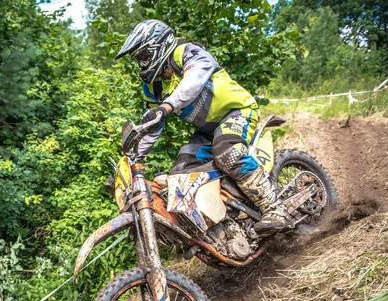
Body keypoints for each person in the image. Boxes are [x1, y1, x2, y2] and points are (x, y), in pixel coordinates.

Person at [116, 19, 292, 235]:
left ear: (159, 46)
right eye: (138, 60)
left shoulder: (186, 52)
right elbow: (151, 125)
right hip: (208, 130)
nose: (141, 64)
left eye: (143, 56)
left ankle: (275, 208)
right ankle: (224, 226)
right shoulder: (153, 86)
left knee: (228, 152)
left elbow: (195, 80)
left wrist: (166, 106)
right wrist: (129, 162)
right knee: (180, 173)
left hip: (236, 111)